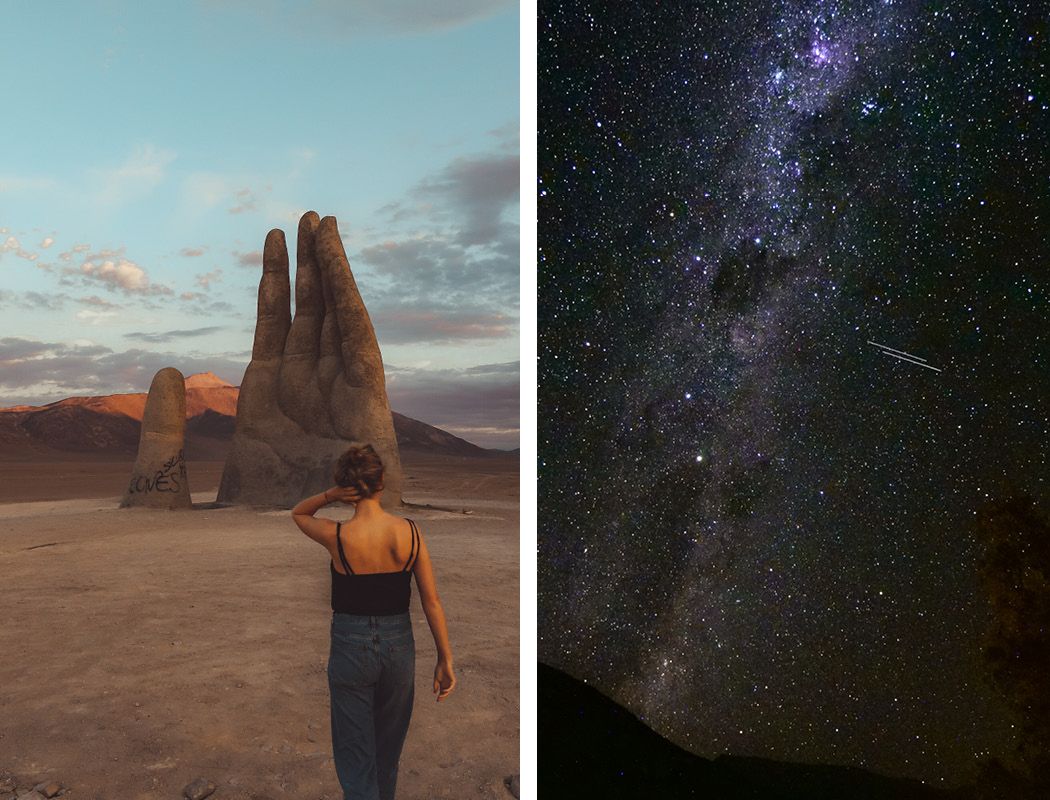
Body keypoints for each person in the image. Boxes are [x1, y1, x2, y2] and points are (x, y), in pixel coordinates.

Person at [292, 444, 456, 800]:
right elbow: (432, 601)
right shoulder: (410, 532)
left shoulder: (337, 536)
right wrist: (445, 658)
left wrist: (329, 495)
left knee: (355, 753)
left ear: (348, 487)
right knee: (387, 749)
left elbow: (299, 514)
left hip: (351, 647)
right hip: (399, 646)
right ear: (381, 483)